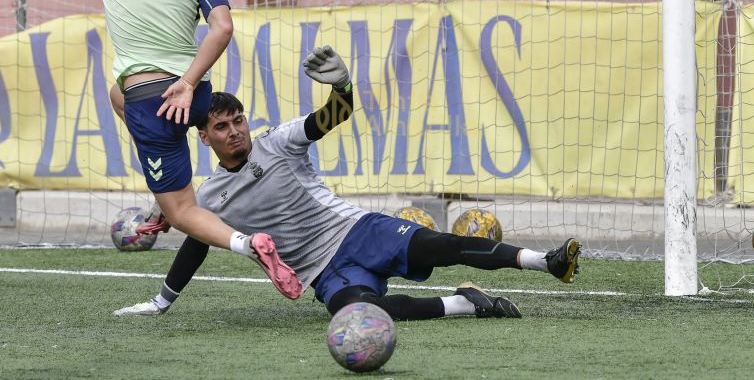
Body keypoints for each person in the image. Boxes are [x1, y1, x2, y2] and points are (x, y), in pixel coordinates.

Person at [113, 45, 582, 320]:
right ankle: (467, 305)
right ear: (204, 136)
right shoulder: (210, 196)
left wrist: (343, 88)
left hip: (356, 230)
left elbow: (328, 119)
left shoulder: (277, 141)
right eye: (222, 127)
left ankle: (547, 261)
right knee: (359, 315)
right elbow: (195, 242)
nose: (234, 131)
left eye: (238, 121)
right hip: (322, 273)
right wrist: (162, 300)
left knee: (442, 246)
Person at [74, 0, 300, 299]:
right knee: (114, 93)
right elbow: (222, 27)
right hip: (193, 98)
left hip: (154, 101)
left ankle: (247, 242)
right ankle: (167, 185)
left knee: (182, 212)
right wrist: (189, 82)